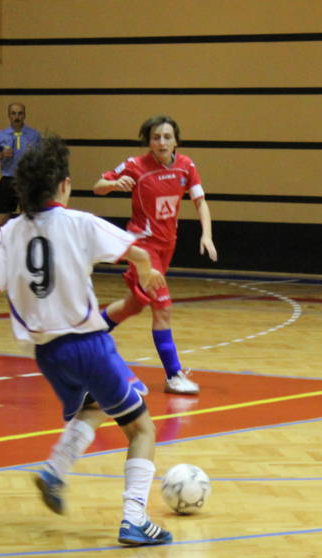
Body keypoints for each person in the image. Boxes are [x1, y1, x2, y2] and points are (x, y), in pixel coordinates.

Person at [0, 135, 173, 546]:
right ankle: (134, 519)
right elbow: (135, 250)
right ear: (64, 185)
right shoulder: (79, 222)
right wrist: (147, 270)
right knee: (142, 429)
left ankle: (55, 471)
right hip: (88, 344)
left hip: (47, 354)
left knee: (95, 405)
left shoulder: (10, 232)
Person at [93, 115, 217, 395]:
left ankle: (91, 333)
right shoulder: (135, 165)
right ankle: (174, 375)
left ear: (176, 141)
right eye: (156, 137)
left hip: (167, 246)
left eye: (167, 137)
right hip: (143, 248)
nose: (162, 142)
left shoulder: (186, 166)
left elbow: (200, 202)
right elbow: (97, 186)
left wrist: (206, 235)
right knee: (163, 308)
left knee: (133, 305)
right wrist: (114, 184)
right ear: (148, 142)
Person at [0, 102, 41, 230]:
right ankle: (1, 243)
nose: (17, 117)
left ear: (24, 115)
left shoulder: (34, 135)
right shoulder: (1, 135)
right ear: (9, 116)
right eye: (13, 113)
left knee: (29, 220)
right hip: (8, 180)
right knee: (1, 221)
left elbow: (41, 158)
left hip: (27, 180)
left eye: (20, 113)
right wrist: (2, 154)